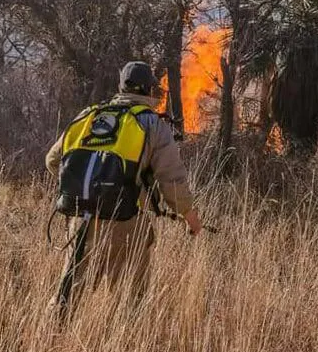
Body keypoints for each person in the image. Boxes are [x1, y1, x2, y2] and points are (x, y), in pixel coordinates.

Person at [45, 61, 202, 315]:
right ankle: (125, 350)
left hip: (82, 220)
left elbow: (53, 161)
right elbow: (172, 181)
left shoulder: (90, 115)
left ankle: (49, 340)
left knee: (68, 293)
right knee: (132, 301)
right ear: (149, 90)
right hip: (126, 222)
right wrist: (190, 218)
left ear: (121, 87)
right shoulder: (152, 124)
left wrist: (88, 188)